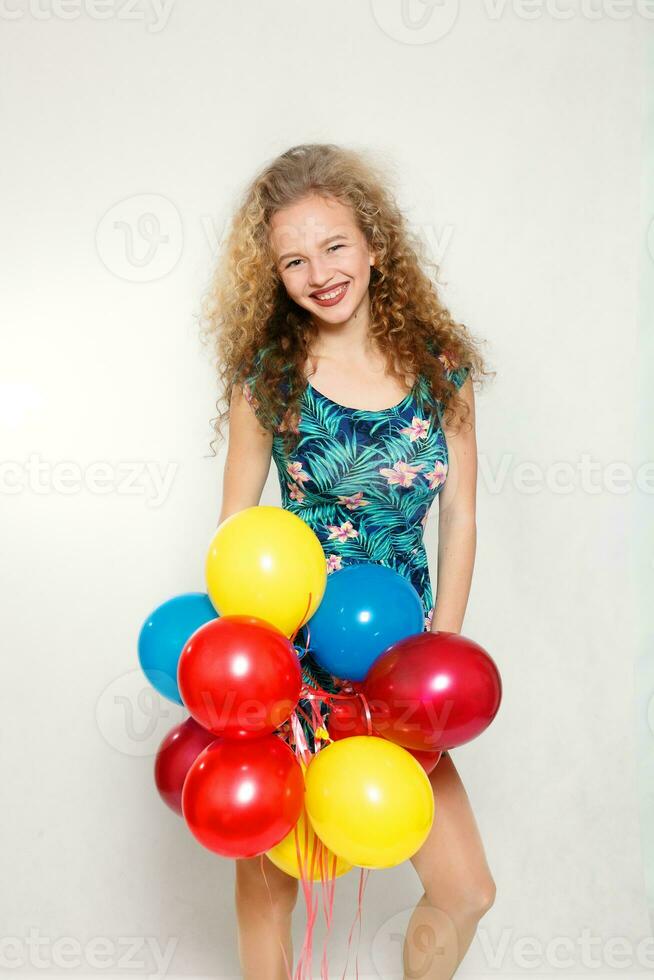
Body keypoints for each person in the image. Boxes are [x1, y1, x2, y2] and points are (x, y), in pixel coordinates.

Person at [199, 143, 496, 980]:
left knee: (465, 890)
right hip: (294, 671)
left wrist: (439, 656)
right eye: (293, 260)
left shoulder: (444, 371)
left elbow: (462, 514)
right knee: (269, 890)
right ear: (274, 276)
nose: (319, 273)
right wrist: (253, 686)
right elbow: (234, 531)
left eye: (333, 246)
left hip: (400, 673)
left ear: (375, 244)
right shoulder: (271, 381)